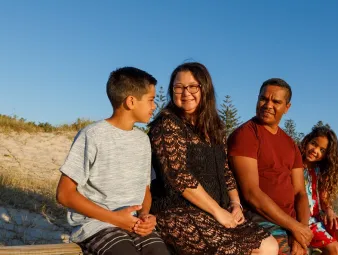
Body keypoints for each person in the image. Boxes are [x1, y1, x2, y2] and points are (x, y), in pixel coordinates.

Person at [148, 62, 278, 255]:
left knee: (269, 245)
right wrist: (218, 212)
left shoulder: (215, 126)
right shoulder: (168, 124)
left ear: (205, 88)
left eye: (193, 86)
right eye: (179, 87)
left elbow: (225, 171)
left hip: (216, 209)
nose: (185, 93)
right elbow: (179, 176)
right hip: (179, 210)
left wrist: (235, 204)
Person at [56, 67, 169, 255]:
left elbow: (145, 190)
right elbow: (64, 194)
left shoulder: (142, 140)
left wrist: (145, 215)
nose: (154, 106)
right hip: (97, 226)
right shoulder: (92, 135)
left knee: (159, 251)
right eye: (150, 100)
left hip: (133, 224)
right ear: (131, 101)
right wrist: (115, 219)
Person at [228, 78, 313, 255]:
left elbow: (300, 193)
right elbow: (252, 194)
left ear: (287, 108)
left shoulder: (290, 144)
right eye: (263, 99)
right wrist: (295, 227)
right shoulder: (246, 135)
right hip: (258, 217)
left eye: (276, 101)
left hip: (290, 220)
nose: (268, 105)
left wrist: (301, 230)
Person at [301, 127, 338, 255]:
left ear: (327, 155)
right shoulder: (294, 163)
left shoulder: (320, 170)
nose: (315, 150)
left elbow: (323, 197)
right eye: (313, 144)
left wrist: (329, 211)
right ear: (307, 140)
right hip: (301, 218)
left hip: (317, 216)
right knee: (335, 250)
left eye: (322, 150)